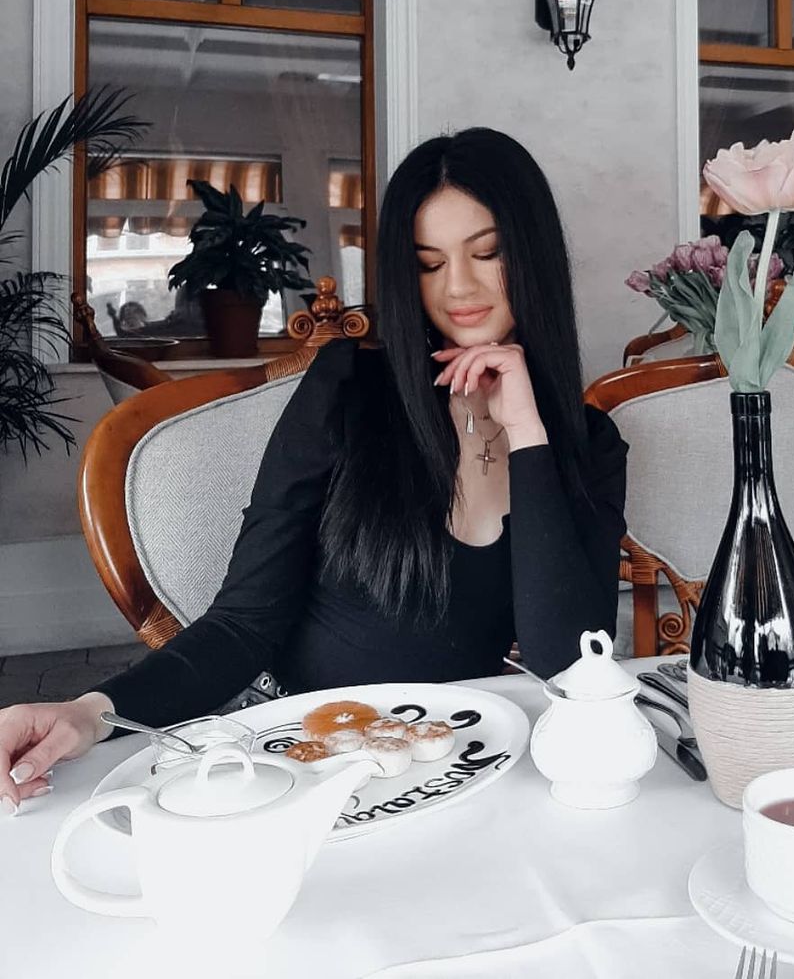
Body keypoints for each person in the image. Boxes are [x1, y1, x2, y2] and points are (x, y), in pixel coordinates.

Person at [0, 128, 628, 815]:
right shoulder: (348, 391)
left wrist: (529, 435)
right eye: (428, 263)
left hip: (461, 769)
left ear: (532, 254)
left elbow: (568, 664)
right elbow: (242, 624)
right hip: (309, 764)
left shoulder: (586, 443)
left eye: (487, 253)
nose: (458, 287)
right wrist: (88, 714)